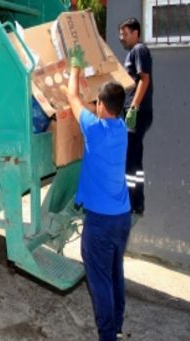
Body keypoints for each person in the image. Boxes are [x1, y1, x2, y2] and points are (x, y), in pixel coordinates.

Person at [64, 46, 132, 341]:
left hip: (101, 223)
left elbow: (72, 98)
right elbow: (89, 107)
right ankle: (116, 323)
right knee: (115, 272)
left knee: (100, 280)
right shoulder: (120, 129)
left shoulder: (94, 129)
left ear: (102, 105)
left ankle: (107, 336)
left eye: (99, 103)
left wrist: (75, 66)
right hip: (122, 218)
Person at [118, 18, 153, 215]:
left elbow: (144, 80)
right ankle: (136, 202)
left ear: (135, 33)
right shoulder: (132, 53)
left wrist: (133, 108)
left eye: (124, 34)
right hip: (134, 112)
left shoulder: (139, 50)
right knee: (134, 159)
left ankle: (133, 203)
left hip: (137, 113)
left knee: (131, 159)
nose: (121, 38)